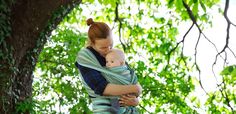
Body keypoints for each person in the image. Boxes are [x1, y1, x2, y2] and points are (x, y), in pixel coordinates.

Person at [75, 18, 142, 114]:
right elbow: (100, 87)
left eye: (110, 45)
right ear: (92, 43)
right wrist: (135, 89)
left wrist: (135, 100)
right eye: (103, 47)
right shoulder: (85, 57)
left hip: (127, 109)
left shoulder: (115, 54)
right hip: (105, 109)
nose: (108, 49)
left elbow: (130, 76)